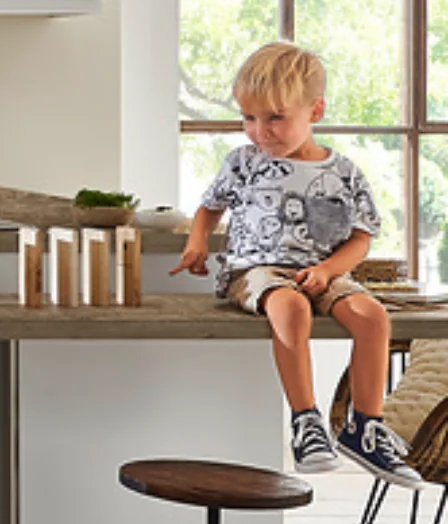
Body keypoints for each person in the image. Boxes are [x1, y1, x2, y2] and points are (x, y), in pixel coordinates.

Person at [172, 41, 421, 487]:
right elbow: (209, 208)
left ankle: (365, 428)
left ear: (315, 111)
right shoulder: (243, 163)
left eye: (275, 118)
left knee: (372, 316)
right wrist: (196, 242)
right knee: (290, 307)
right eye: (249, 118)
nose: (260, 132)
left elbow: (361, 239)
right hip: (256, 270)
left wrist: (327, 271)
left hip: (323, 270)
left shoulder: (344, 173)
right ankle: (306, 420)